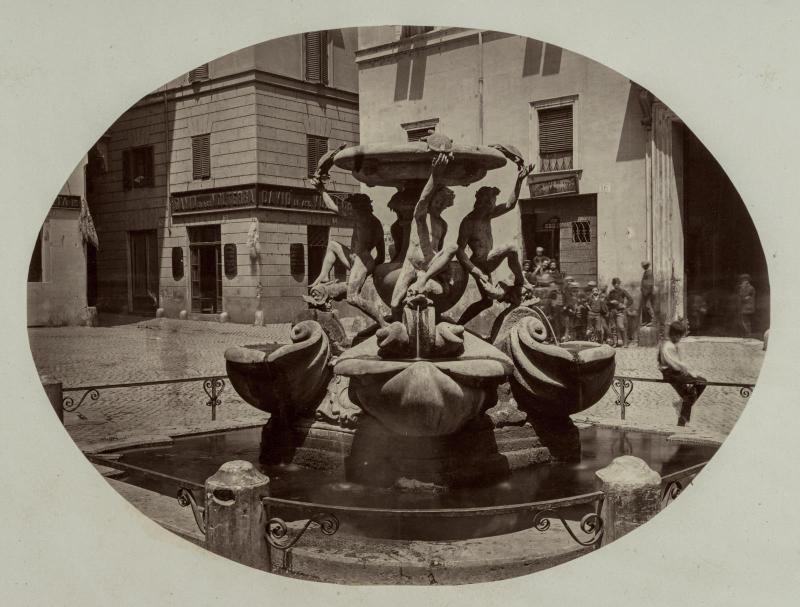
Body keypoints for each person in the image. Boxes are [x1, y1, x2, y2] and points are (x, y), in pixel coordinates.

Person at [454, 162, 536, 325]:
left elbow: (510, 205)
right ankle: (458, 325)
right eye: (491, 202)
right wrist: (476, 271)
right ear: (482, 202)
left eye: (493, 202)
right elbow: (459, 251)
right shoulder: (468, 222)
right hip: (479, 264)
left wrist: (519, 180)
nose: (493, 206)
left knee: (511, 249)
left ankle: (519, 283)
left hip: (488, 261)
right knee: (488, 301)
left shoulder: (487, 215)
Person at [308, 177, 387, 326]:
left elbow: (332, 206)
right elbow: (381, 256)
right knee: (332, 245)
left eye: (353, 205)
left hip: (362, 261)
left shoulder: (361, 217)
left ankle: (382, 322)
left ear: (360, 207)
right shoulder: (376, 223)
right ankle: (324, 276)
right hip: (359, 260)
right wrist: (371, 270)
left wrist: (321, 190)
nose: (351, 208)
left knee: (352, 297)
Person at [390, 153, 458, 315]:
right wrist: (435, 174)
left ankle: (424, 280)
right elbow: (422, 199)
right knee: (394, 303)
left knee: (453, 247)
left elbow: (440, 249)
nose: (440, 205)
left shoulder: (443, 224)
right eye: (438, 201)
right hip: (411, 263)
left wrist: (443, 272)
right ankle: (396, 324)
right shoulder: (421, 216)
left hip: (429, 265)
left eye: (443, 204)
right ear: (432, 199)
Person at [658, 320, 707, 426]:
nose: (679, 339)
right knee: (700, 384)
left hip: (674, 372)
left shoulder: (672, 344)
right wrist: (688, 373)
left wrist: (688, 372)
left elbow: (678, 363)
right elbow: (675, 364)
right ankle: (682, 418)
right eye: (679, 336)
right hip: (670, 373)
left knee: (691, 392)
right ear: (673, 334)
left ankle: (681, 412)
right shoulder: (668, 346)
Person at [607, 277, 634, 347]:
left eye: (617, 283)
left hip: (620, 311)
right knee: (613, 327)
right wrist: (611, 302)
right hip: (612, 311)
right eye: (615, 283)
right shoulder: (611, 292)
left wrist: (625, 305)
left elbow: (631, 299)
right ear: (613, 284)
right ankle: (615, 343)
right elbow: (606, 302)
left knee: (621, 327)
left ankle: (625, 343)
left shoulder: (622, 291)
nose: (616, 285)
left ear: (619, 284)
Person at [640, 260, 655, 326]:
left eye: (644, 266)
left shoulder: (649, 273)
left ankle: (653, 320)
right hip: (644, 292)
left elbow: (649, 284)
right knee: (644, 307)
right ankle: (647, 320)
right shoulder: (645, 272)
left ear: (647, 266)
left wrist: (646, 292)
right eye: (643, 266)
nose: (643, 267)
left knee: (648, 306)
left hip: (648, 293)